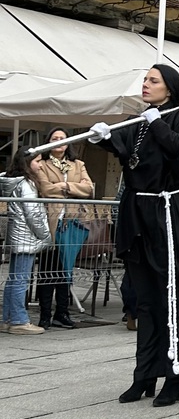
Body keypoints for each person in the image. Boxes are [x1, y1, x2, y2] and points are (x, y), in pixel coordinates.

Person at [88, 64, 179, 406]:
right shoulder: (141, 119)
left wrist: (159, 124)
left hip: (171, 214)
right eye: (145, 80)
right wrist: (106, 139)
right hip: (140, 215)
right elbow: (131, 154)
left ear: (170, 89)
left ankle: (175, 376)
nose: (145, 85)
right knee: (145, 299)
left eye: (153, 80)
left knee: (171, 298)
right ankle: (145, 373)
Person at [32, 128, 94, 329]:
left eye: (63, 139)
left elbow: (89, 188)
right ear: (48, 142)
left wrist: (64, 187)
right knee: (48, 270)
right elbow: (45, 188)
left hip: (72, 222)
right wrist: (74, 187)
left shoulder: (78, 164)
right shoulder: (41, 164)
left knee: (65, 269)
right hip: (51, 221)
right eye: (55, 138)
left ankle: (62, 312)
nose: (59, 142)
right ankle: (44, 314)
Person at [0, 148, 52, 334]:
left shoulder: (12, 181)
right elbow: (34, 214)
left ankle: (7, 318)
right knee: (21, 279)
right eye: (37, 161)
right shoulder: (27, 183)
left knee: (14, 279)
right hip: (26, 236)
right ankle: (19, 320)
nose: (40, 165)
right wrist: (45, 236)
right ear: (27, 162)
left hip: (16, 235)